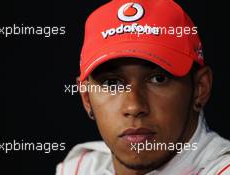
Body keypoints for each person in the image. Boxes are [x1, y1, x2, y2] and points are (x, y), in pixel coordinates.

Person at [56, 0, 230, 174]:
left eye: (158, 79)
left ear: (200, 88)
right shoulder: (80, 169)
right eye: (112, 83)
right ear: (86, 97)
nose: (134, 106)